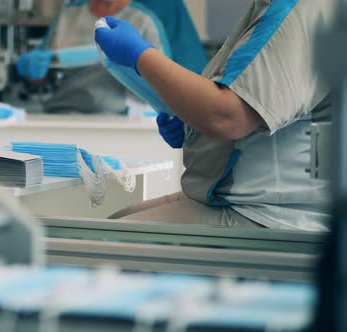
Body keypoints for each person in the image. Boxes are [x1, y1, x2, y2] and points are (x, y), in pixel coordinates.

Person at [96, 0, 334, 231]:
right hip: (247, 202)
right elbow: (251, 100)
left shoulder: (302, 8)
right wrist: (191, 117)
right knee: (113, 223)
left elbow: (227, 116)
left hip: (269, 217)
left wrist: (140, 55)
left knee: (100, 244)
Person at [16, 0, 170, 114]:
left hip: (118, 119)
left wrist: (135, 66)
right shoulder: (69, 15)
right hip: (61, 114)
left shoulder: (144, 21)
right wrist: (33, 70)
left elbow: (163, 88)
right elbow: (44, 74)